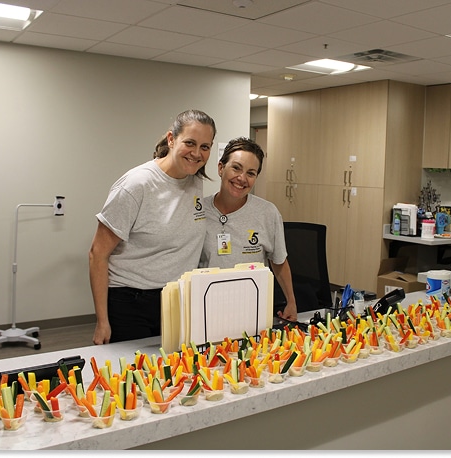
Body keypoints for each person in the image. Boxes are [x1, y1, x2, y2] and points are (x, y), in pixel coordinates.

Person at [89, 109, 217, 344]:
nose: (197, 153)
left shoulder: (195, 179)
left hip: (176, 299)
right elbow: (97, 254)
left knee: (174, 374)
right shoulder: (137, 184)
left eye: (205, 146)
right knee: (135, 376)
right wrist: (102, 322)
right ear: (171, 139)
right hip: (131, 302)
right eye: (190, 143)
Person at [199, 137, 298, 321]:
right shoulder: (199, 212)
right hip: (207, 307)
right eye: (236, 168)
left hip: (252, 308)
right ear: (221, 168)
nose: (242, 178)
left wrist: (291, 301)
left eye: (251, 173)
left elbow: (278, 261)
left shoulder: (267, 213)